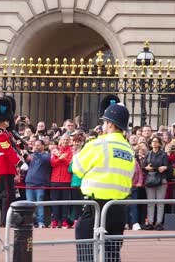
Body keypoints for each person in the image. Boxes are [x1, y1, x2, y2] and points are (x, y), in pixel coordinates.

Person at [72, 103, 135, 262]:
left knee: (86, 250)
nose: (102, 125)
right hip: (118, 207)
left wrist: (79, 150)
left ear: (111, 124)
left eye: (105, 122)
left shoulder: (99, 144)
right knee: (112, 254)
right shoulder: (128, 149)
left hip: (95, 206)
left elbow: (77, 168)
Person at [0, 97, 22, 224]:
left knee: (6, 193)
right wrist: (20, 163)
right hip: (4, 166)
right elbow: (8, 151)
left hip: (1, 165)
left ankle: (0, 216)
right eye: (6, 119)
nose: (8, 121)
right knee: (8, 194)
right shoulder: (1, 134)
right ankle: (5, 219)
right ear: (1, 121)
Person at [142, 136, 171, 231]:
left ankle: (158, 222)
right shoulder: (148, 154)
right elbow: (143, 166)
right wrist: (146, 168)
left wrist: (165, 167)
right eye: (153, 141)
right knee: (150, 202)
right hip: (150, 180)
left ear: (159, 143)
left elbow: (169, 166)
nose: (154, 143)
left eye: (156, 141)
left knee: (160, 202)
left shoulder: (164, 155)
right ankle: (150, 222)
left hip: (161, 180)